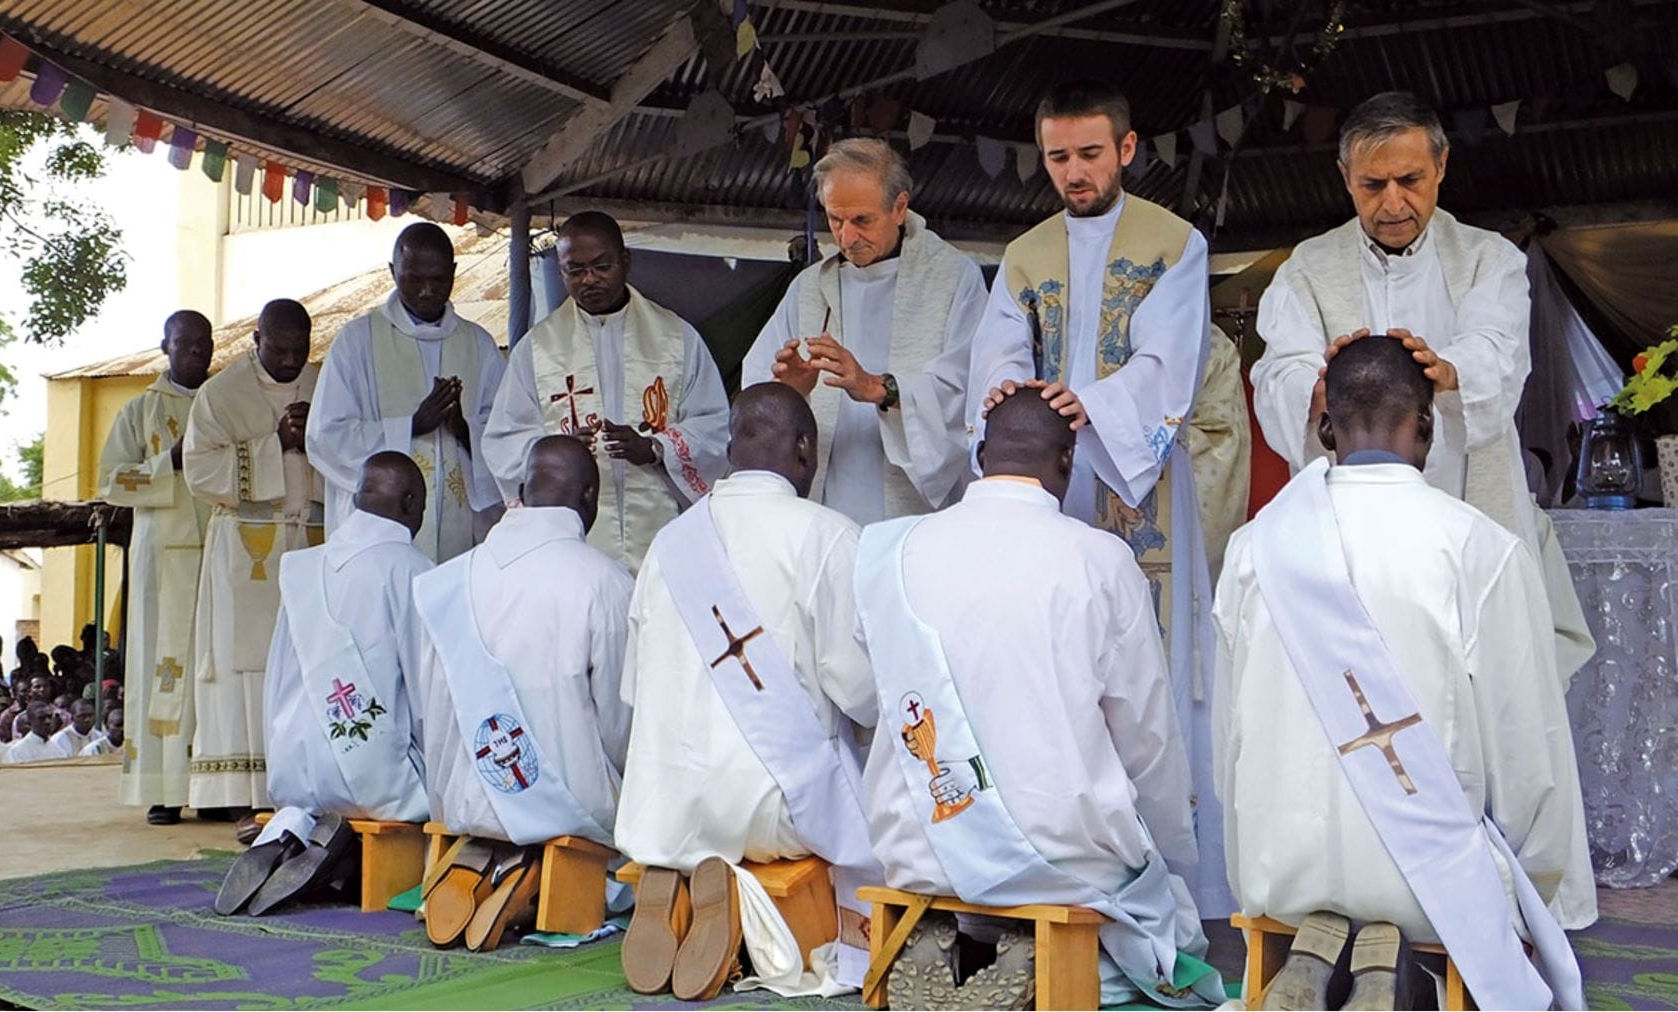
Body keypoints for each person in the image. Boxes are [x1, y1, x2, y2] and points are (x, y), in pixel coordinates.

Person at [1248, 92, 1597, 927]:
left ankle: (1501, 903)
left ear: (1441, 167)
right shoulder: (1306, 269)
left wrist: (1443, 371)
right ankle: (1359, 897)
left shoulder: (1489, 261)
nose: (1393, 202)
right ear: (1344, 178)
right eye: (1372, 185)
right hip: (1352, 532)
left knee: (1491, 703)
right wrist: (1322, 385)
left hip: (1472, 512)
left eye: (1411, 179)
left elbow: (1497, 358)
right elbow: (1274, 373)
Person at [1217, 336, 1584, 1009]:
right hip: (1429, 878)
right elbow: (1529, 757)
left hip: (1280, 869)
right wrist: (1530, 888)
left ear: (1324, 427)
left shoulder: (1256, 547)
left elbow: (1230, 742)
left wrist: (1252, 866)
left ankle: (1321, 955)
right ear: (1428, 426)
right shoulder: (1478, 547)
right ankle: (1405, 980)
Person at [964, 78, 1243, 917]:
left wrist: (1100, 407)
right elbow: (997, 352)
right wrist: (1007, 397)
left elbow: (1170, 358)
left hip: (1135, 476)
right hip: (1043, 479)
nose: (1074, 172)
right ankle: (1057, 852)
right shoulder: (1024, 254)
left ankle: (1167, 881)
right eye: (1058, 157)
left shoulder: (1174, 243)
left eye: (1090, 153)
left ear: (1126, 149)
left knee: (1146, 670)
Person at [855, 387, 1223, 1009]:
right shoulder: (1100, 560)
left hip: (922, 847)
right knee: (1164, 935)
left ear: (978, 455)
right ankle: (1033, 964)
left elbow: (871, 703)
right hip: (1061, 863)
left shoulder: (887, 553)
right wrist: (1167, 845)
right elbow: (1147, 736)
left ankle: (956, 941)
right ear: (1067, 463)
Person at [616, 383, 879, 1000]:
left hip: (662, 803)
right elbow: (862, 694)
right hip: (772, 812)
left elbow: (634, 692)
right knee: (868, 789)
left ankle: (677, 872)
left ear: (731, 449)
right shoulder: (829, 535)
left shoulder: (669, 542)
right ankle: (752, 902)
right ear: (806, 450)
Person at [413, 435, 634, 950]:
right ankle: (529, 870)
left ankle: (482, 858)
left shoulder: (448, 579)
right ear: (589, 500)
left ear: (520, 491)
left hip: (459, 800)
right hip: (566, 809)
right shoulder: (603, 582)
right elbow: (622, 724)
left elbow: (428, 710)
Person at [218, 453, 435, 917]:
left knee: (310, 789)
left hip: (292, 765)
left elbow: (277, 676)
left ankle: (289, 830)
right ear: (412, 502)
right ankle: (342, 857)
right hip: (371, 780)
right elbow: (427, 692)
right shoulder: (411, 569)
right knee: (442, 784)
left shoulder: (304, 568)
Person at [742, 138, 984, 525]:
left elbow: (969, 388)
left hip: (914, 510)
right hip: (824, 503)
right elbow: (756, 387)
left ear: (900, 207)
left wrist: (878, 387)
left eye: (862, 220)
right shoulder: (808, 289)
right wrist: (790, 391)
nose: (846, 237)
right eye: (835, 220)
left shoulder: (953, 278)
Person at [483, 211, 730, 571]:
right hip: (573, 536)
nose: (590, 280)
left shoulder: (676, 338)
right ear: (560, 271)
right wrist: (560, 450)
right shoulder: (537, 348)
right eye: (575, 270)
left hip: (660, 527)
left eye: (602, 266)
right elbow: (504, 439)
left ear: (625, 261)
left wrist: (655, 448)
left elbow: (715, 424)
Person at [184, 298, 325, 816]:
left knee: (309, 658)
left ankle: (302, 781)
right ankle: (238, 792)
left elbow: (352, 452)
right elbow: (199, 471)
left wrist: (318, 438)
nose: (291, 362)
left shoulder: (325, 384)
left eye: (300, 350)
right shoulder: (220, 394)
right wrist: (274, 444)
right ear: (256, 341)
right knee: (247, 662)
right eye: (280, 350)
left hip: (312, 535)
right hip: (246, 547)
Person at [309, 224, 508, 563]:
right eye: (414, 279)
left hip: (461, 539)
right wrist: (410, 425)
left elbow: (505, 432)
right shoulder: (357, 341)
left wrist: (463, 429)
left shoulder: (479, 344)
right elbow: (325, 436)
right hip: (382, 537)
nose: (427, 291)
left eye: (439, 279)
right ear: (392, 272)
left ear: (454, 272)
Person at [101, 312, 217, 823]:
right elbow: (110, 483)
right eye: (184, 343)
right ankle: (163, 790)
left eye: (203, 343)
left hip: (219, 553)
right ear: (165, 347)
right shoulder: (140, 410)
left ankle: (217, 786)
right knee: (160, 666)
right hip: (161, 560)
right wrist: (165, 461)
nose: (196, 351)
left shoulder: (225, 403)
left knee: (215, 668)